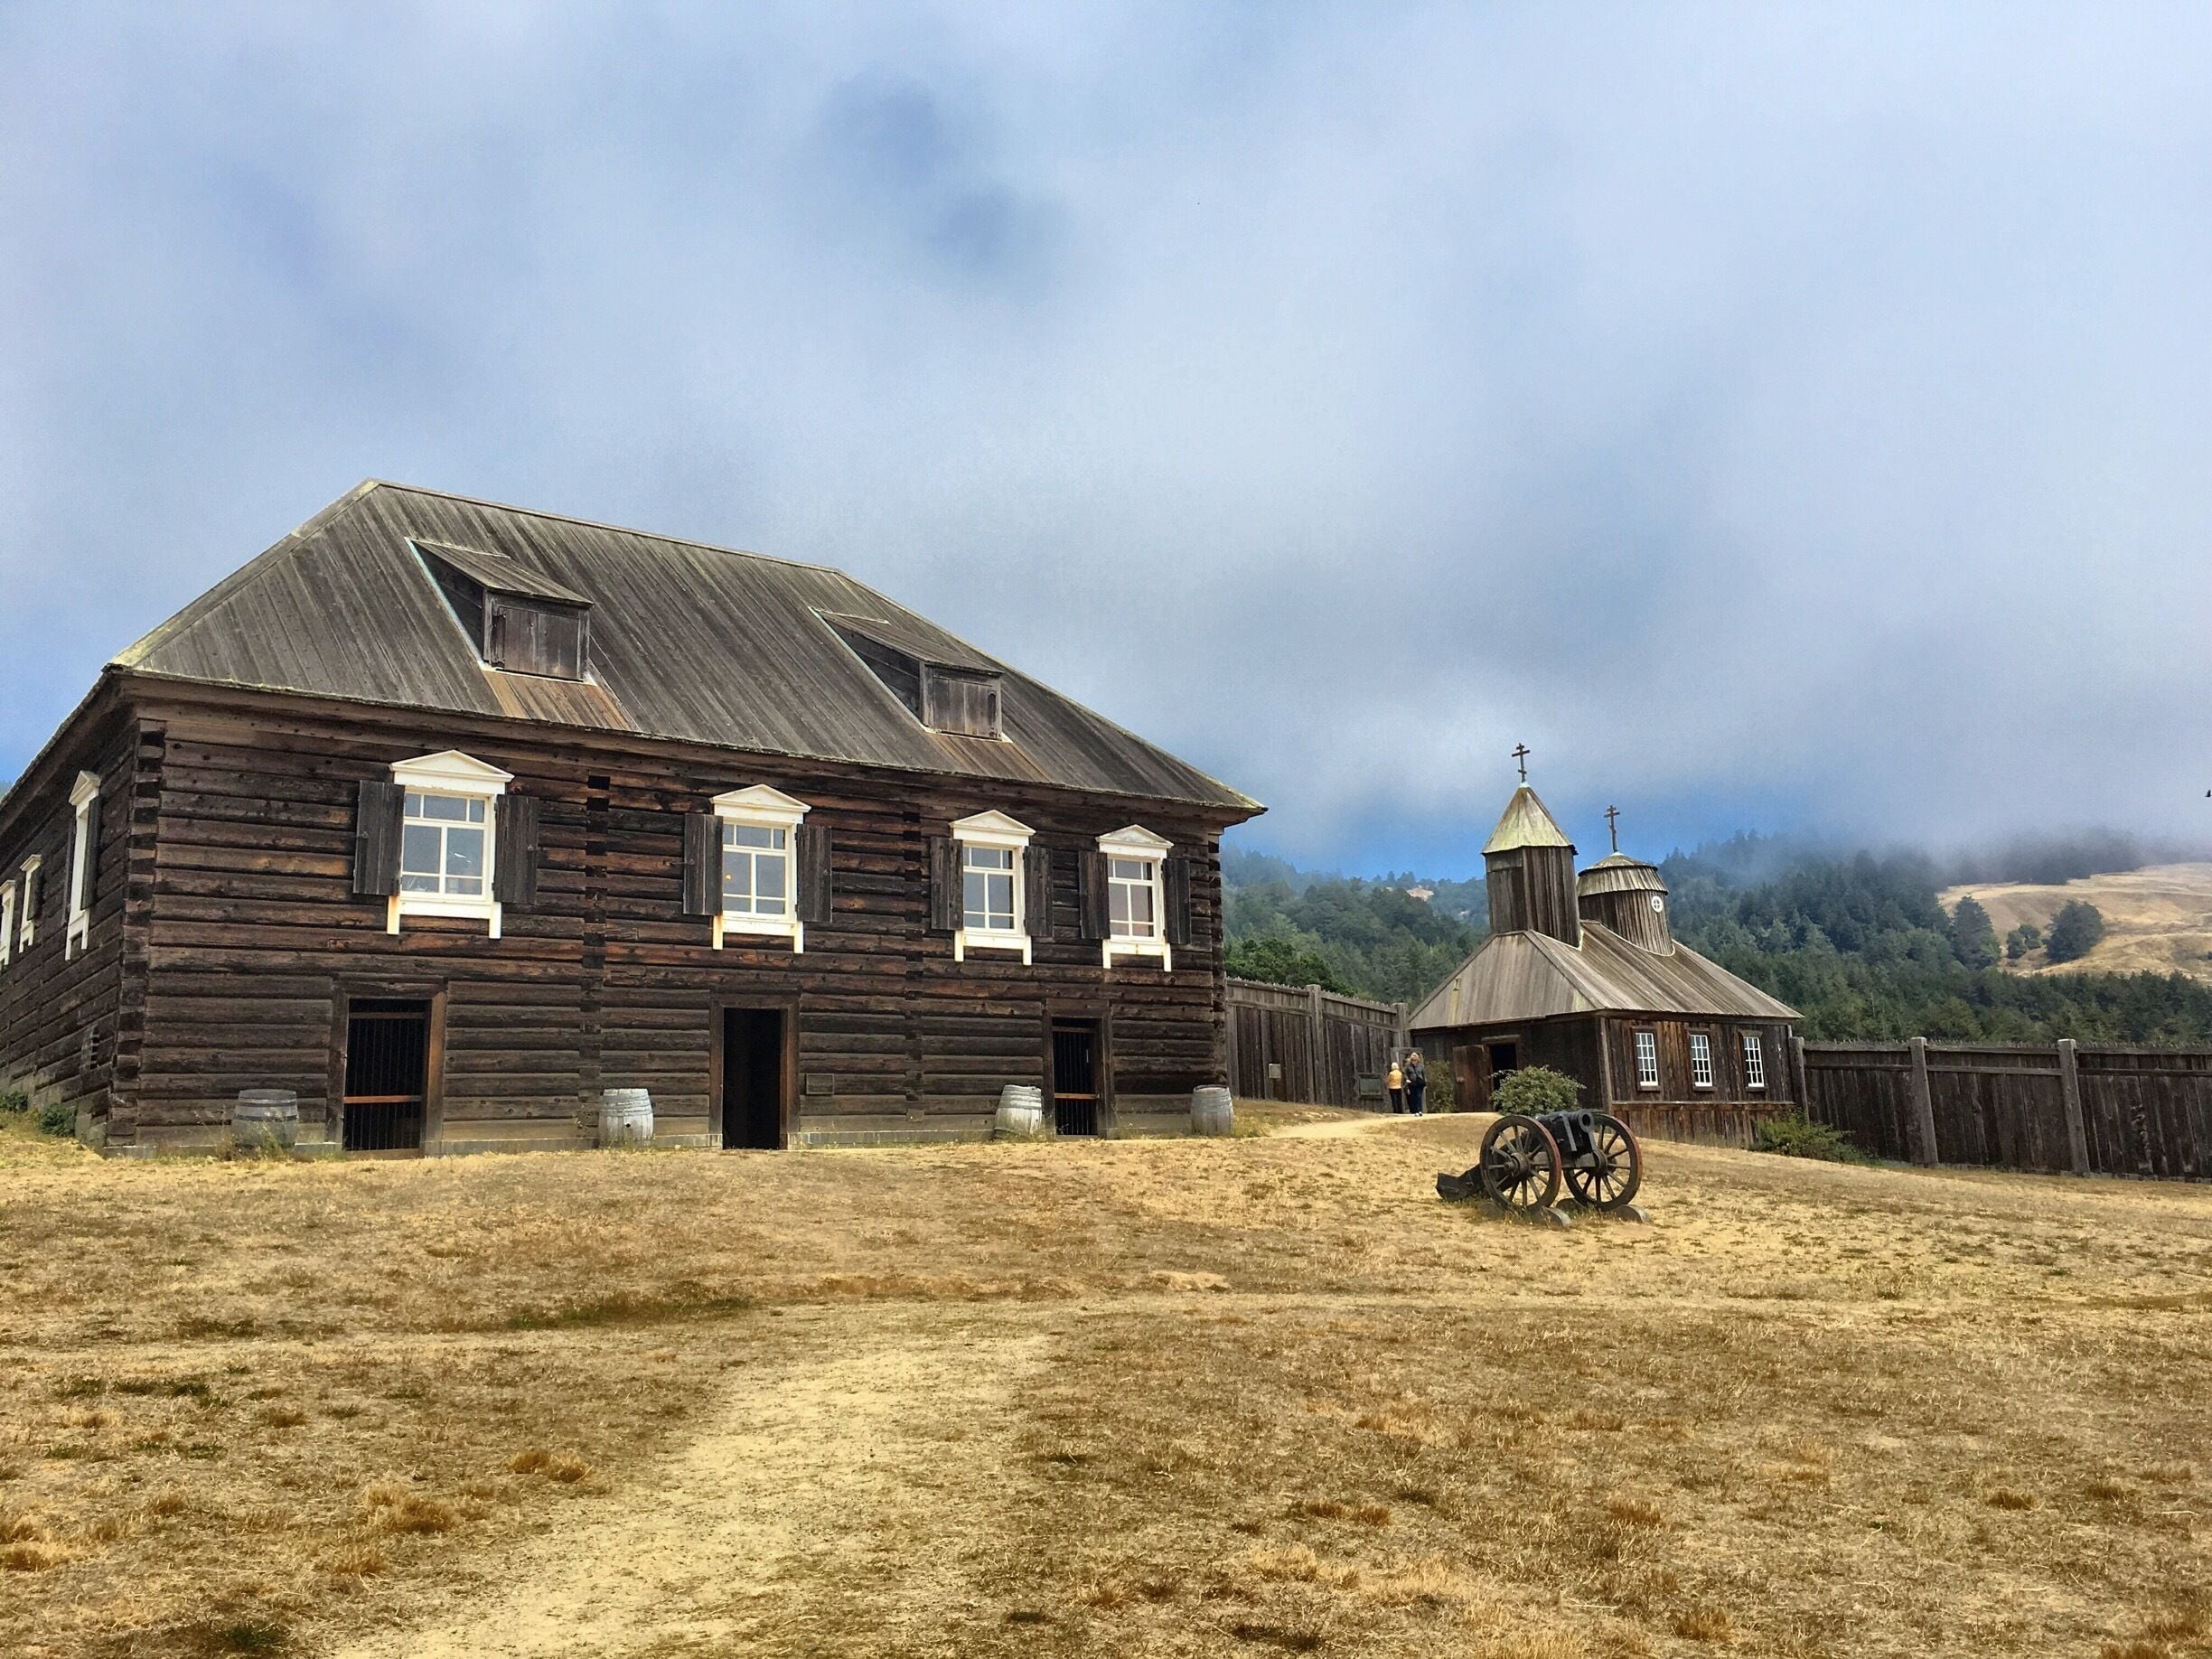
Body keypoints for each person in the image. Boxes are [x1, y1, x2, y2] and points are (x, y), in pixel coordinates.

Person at [1403, 1050, 1428, 1116]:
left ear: (1418, 1060)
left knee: (1419, 1096)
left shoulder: (1421, 1066)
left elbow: (1424, 1074)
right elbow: (1405, 1074)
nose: (1414, 1061)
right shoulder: (1408, 1066)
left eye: (1415, 1060)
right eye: (1413, 1060)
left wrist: (1425, 1081)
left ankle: (1420, 1110)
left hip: (1419, 1083)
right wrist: (1407, 1079)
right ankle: (1415, 1110)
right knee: (1413, 1097)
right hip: (1412, 1083)